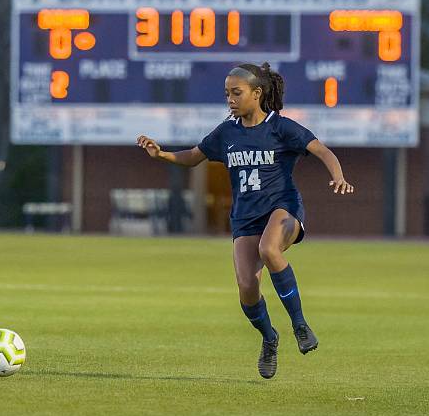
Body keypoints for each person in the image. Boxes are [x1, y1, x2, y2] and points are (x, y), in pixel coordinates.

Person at [136, 62, 354, 379]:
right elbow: (194, 156)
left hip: (283, 208)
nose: (230, 99)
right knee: (247, 287)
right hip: (245, 217)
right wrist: (163, 155)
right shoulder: (227, 133)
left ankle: (300, 325)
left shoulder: (281, 128)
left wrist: (338, 176)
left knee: (270, 248)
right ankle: (269, 337)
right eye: (227, 94)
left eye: (236, 93)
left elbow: (322, 151)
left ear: (257, 93)